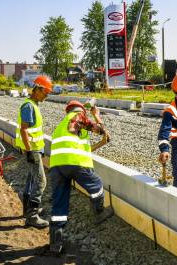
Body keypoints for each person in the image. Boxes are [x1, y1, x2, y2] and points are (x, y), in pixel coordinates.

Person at [48, 100, 113, 254]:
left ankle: (55, 245)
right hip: (74, 163)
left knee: (59, 204)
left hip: (57, 166)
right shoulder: (77, 116)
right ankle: (99, 213)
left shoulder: (60, 126)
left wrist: (99, 143)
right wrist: (96, 116)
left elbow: (80, 146)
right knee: (96, 185)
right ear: (81, 111)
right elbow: (101, 130)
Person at [15, 75, 53, 228]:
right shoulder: (28, 106)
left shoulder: (34, 105)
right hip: (32, 150)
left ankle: (28, 209)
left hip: (35, 149)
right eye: (46, 92)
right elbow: (24, 130)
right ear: (38, 89)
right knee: (41, 181)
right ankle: (32, 216)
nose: (47, 95)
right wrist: (30, 151)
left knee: (31, 179)